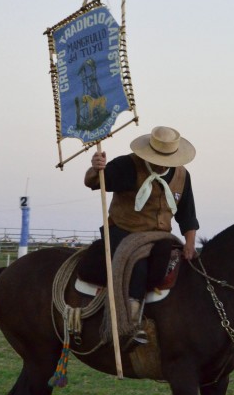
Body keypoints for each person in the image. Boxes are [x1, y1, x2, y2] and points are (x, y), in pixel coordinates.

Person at [84, 125, 199, 344]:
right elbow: (95, 181)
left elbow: (187, 214)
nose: (161, 163)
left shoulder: (182, 175)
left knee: (173, 266)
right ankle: (130, 321)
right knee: (138, 263)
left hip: (159, 235)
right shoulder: (128, 165)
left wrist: (190, 242)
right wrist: (94, 168)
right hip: (124, 230)